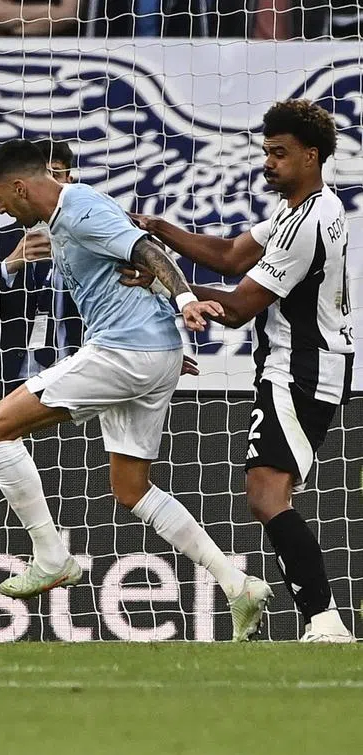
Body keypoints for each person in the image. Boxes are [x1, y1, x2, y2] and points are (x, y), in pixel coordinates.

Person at [0, 139, 273, 641]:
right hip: (150, 354)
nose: (0, 208)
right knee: (131, 487)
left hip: (124, 353)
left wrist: (182, 303)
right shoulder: (71, 214)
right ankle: (236, 584)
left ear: (21, 187)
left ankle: (50, 557)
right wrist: (167, 334)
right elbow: (133, 271)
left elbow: (147, 250)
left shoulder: (81, 209)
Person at [125, 99, 355, 643]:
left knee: (267, 493)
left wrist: (165, 284)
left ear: (312, 155)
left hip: (302, 365)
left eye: (280, 154)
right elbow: (229, 254)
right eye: (266, 152)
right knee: (265, 492)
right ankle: (321, 620)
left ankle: (324, 621)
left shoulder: (308, 222)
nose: (268, 163)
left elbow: (237, 306)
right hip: (295, 362)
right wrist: (158, 231)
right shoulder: (295, 210)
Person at [0, 140, 82, 395]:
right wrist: (10, 265)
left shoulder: (91, 236)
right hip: (2, 381)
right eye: (43, 174)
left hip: (75, 380)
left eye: (56, 174)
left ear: (69, 180)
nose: (49, 182)